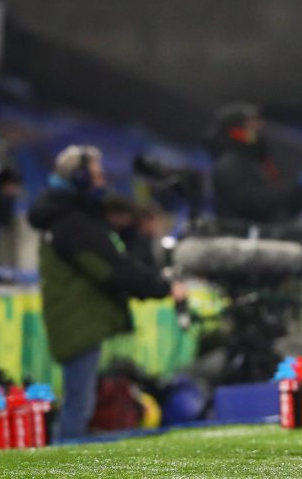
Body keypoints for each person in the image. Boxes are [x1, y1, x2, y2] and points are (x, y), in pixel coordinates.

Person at [27, 145, 187, 441]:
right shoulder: (71, 223)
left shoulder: (70, 217)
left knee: (80, 403)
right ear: (78, 177)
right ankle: (61, 468)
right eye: (96, 175)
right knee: (79, 406)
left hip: (79, 320)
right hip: (77, 322)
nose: (102, 181)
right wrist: (163, 287)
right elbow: (113, 271)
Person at [207, 101, 302, 225]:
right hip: (242, 237)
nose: (259, 127)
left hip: (267, 232)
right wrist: (296, 189)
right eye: (251, 124)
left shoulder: (258, 161)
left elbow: (282, 207)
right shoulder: (229, 165)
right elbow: (254, 203)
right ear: (235, 130)